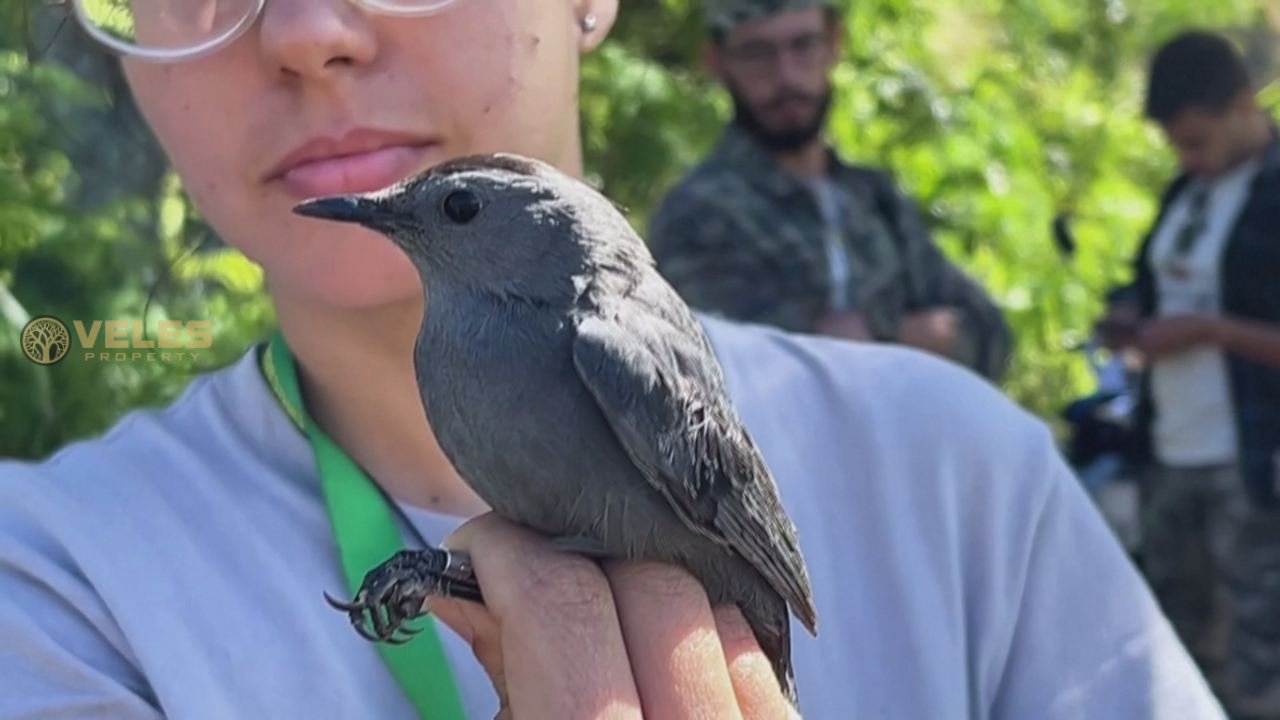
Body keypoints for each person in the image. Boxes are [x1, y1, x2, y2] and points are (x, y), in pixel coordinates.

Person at [0, 1, 1222, 717]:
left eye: (455, 213)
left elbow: (721, 528)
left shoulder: (965, 479)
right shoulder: (50, 587)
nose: (311, 31)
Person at [648, 0, 1012, 382]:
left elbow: (990, 337)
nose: (785, 76)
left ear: (834, 43)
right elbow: (725, 359)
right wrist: (911, 336)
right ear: (718, 62)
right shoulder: (698, 212)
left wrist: (878, 331)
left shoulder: (875, 200)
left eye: (803, 45)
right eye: (757, 53)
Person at [1097, 30, 1280, 719]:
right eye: (1177, 146)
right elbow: (1150, 287)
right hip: (1171, 457)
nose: (1188, 158)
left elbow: (1209, 319)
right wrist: (1127, 318)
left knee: (1261, 667)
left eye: (1198, 140)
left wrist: (1210, 332)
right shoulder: (1186, 195)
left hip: (1256, 472)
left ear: (1242, 106)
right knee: (1176, 655)